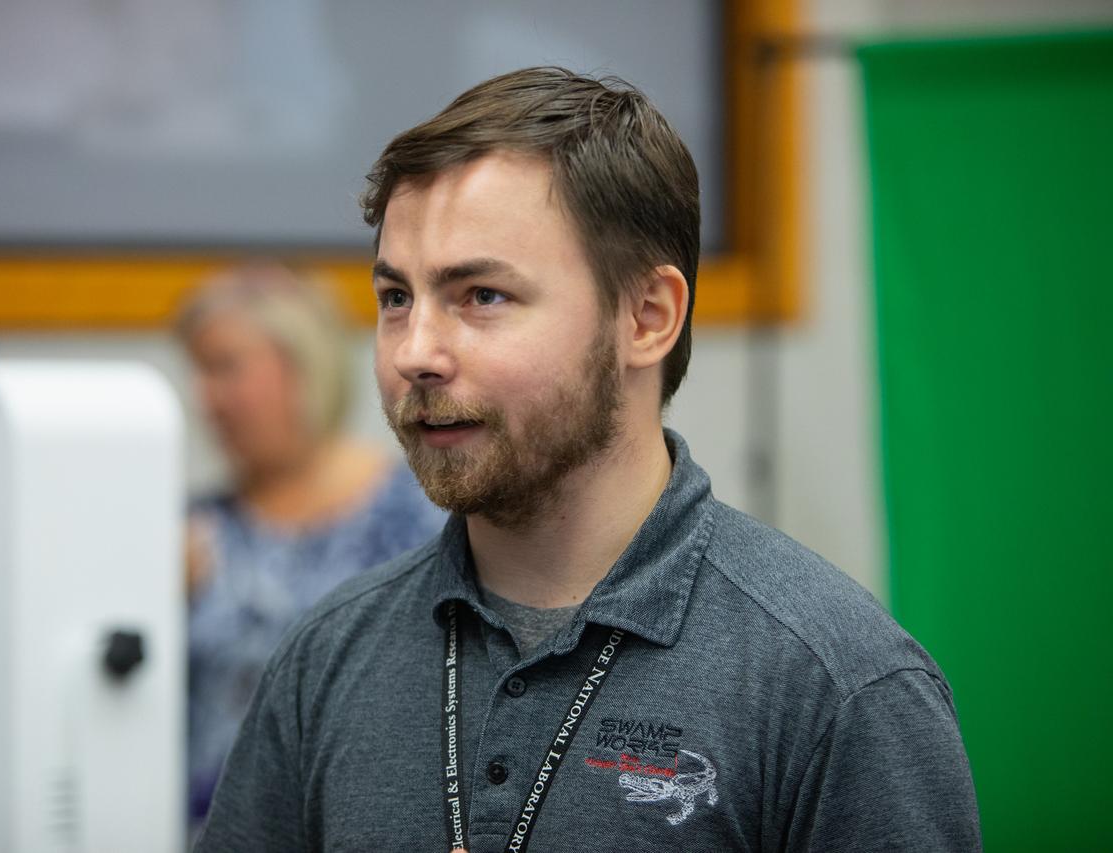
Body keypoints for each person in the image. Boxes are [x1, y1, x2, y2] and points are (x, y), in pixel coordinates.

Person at [196, 68, 981, 851]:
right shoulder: (327, 656)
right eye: (396, 298)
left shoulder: (835, 683)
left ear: (647, 317)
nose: (416, 353)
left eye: (481, 296)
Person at [177, 265, 446, 832]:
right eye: (199, 372)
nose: (206, 399)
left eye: (225, 368)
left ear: (302, 366)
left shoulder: (421, 514)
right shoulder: (194, 534)